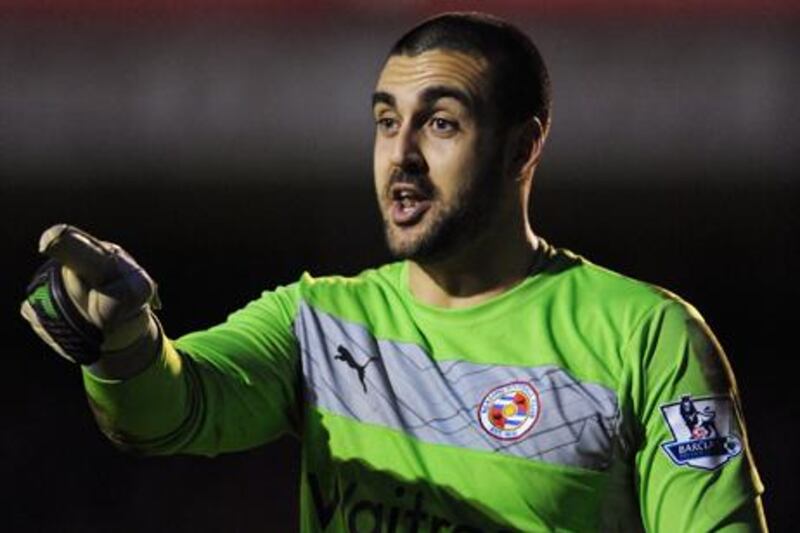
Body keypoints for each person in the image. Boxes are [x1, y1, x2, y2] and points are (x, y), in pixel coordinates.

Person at [21, 12, 766, 532]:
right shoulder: (316, 324)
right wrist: (121, 340)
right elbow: (167, 412)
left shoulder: (646, 335)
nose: (401, 155)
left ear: (521, 147)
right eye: (385, 120)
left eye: (440, 122)